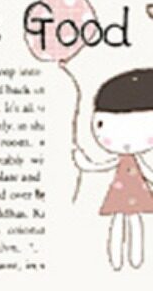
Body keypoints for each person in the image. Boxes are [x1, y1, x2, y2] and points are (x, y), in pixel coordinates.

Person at [73, 68, 153, 271]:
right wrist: (85, 164)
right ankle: (116, 259)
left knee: (134, 221)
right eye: (101, 124)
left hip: (136, 191)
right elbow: (106, 165)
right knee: (118, 222)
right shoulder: (123, 160)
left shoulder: (137, 160)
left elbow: (147, 172)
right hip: (120, 191)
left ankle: (136, 258)